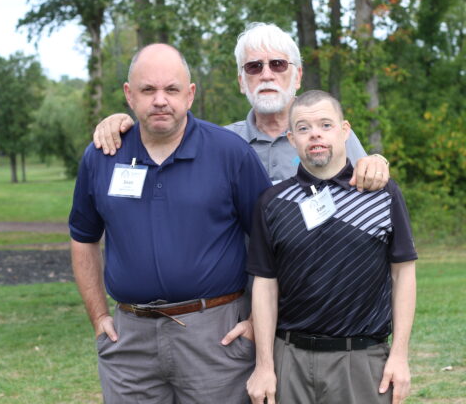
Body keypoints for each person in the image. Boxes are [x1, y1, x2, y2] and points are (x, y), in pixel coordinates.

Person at [69, 43, 272, 403]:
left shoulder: (230, 153)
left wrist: (258, 322)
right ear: (129, 96)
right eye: (148, 90)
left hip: (216, 336)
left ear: (190, 95)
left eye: (171, 89)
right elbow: (83, 237)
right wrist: (99, 316)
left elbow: (271, 241)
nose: (160, 100)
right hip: (129, 341)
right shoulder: (102, 156)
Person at [246, 90, 417, 404]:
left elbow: (403, 275)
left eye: (325, 125)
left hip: (362, 361)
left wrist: (400, 355)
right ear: (291, 139)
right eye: (303, 128)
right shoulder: (272, 204)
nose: (315, 134)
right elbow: (265, 285)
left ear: (344, 130)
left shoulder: (382, 194)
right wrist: (264, 366)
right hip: (290, 359)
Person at [92, 23, 390, 191]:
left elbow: (372, 189)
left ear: (297, 75)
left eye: (277, 64)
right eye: (253, 67)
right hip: (249, 294)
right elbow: (165, 135)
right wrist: (121, 121)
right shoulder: (222, 142)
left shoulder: (333, 134)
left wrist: (378, 162)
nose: (266, 74)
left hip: (320, 290)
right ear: (241, 81)